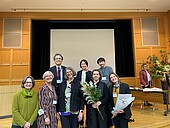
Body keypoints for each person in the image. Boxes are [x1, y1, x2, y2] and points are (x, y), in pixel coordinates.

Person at [76, 59, 93, 128]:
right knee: (81, 108)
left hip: (88, 93)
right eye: (82, 64)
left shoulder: (90, 73)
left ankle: (88, 124)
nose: (83, 65)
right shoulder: (79, 72)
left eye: (84, 64)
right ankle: (81, 123)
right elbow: (77, 82)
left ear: (87, 64)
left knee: (89, 109)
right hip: (80, 93)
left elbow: (91, 82)